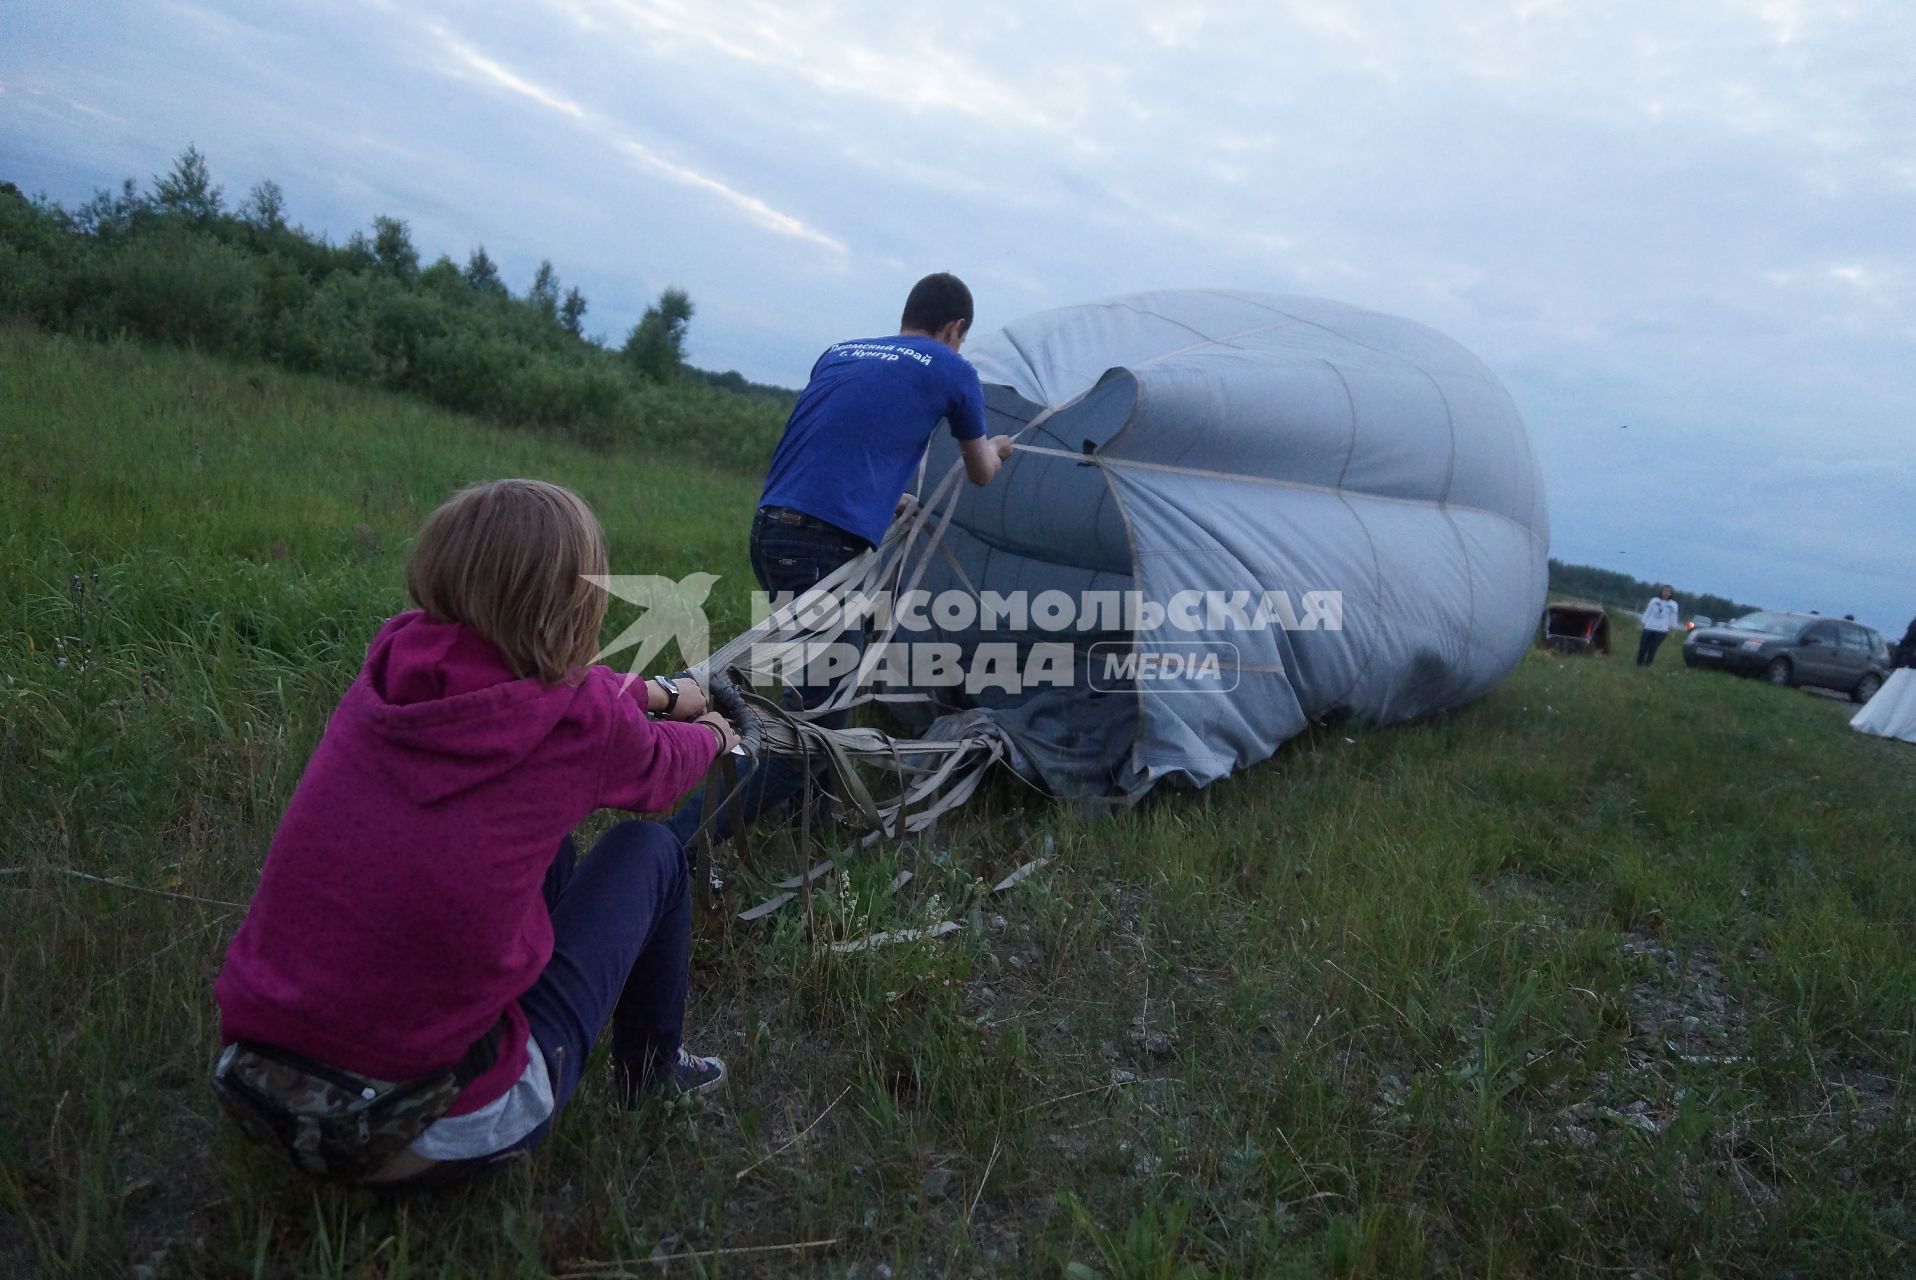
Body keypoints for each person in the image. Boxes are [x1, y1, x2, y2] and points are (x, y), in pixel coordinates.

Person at [212, 479, 740, 1190]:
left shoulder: (393, 669)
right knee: (650, 853)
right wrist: (713, 729)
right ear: (577, 600)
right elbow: (662, 772)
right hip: (418, 1130)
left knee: (543, 845)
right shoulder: (579, 726)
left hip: (259, 1085)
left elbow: (560, 684)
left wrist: (662, 692)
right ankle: (653, 1077)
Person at [668, 272, 1014, 845]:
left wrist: (886, 499)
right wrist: (999, 448)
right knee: (809, 735)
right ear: (955, 329)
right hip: (821, 552)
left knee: (825, 691)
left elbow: (843, 441)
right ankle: (674, 845)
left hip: (773, 529)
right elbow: (979, 473)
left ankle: (809, 826)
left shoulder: (842, 352)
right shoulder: (953, 369)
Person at [1637, 584, 1680, 666]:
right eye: (1664, 591)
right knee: (1643, 648)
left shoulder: (1673, 605)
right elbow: (1647, 612)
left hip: (1661, 630)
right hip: (1649, 627)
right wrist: (1641, 624)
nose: (1666, 593)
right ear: (1661, 591)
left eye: (1668, 592)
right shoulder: (1654, 601)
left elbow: (1673, 618)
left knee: (1652, 648)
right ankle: (1639, 664)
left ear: (1671, 594)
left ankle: (1647, 665)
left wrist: (1673, 630)